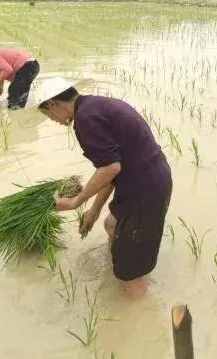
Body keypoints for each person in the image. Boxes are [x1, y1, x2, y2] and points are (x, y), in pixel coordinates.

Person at [37, 77, 173, 297]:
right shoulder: (94, 105)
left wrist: (75, 202)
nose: (53, 120)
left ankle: (135, 302)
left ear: (53, 105)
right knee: (111, 224)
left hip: (145, 188)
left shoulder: (85, 120)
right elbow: (110, 171)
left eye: (48, 115)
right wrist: (94, 211)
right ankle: (123, 263)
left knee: (131, 276)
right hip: (145, 178)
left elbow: (110, 168)